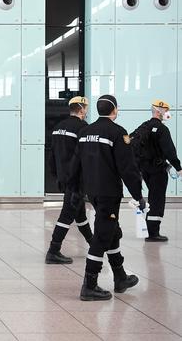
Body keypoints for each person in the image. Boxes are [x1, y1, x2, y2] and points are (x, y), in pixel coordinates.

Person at [70, 95, 143, 301]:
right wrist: (138, 195)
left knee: (112, 231)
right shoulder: (117, 133)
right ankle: (89, 285)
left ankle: (120, 277)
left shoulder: (85, 132)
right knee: (102, 235)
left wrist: (74, 190)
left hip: (92, 191)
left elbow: (76, 164)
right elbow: (128, 169)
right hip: (109, 192)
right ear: (115, 110)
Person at [45, 96, 93, 264]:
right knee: (66, 215)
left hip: (64, 178)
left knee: (79, 215)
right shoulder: (83, 128)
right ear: (81, 109)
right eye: (85, 108)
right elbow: (86, 157)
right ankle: (53, 250)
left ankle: (93, 245)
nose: (86, 111)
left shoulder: (58, 128)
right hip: (76, 179)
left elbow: (52, 155)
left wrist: (57, 175)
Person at [131, 100, 181, 242]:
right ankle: (153, 233)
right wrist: (178, 167)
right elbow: (169, 151)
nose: (168, 113)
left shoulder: (144, 126)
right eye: (166, 110)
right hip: (158, 169)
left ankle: (150, 229)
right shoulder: (162, 129)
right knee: (157, 199)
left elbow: (129, 140)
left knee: (153, 197)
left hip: (144, 169)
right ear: (159, 111)